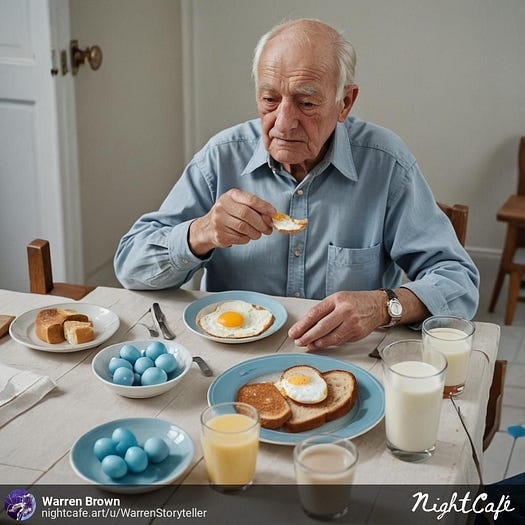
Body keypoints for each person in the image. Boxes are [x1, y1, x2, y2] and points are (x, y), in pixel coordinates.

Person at [114, 18, 479, 350]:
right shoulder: (221, 157)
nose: (284, 123)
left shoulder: (386, 163)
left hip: (345, 360)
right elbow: (131, 266)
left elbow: (459, 283)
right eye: (270, 100)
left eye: (306, 103)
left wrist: (384, 306)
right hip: (231, 359)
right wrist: (201, 232)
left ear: (344, 102)